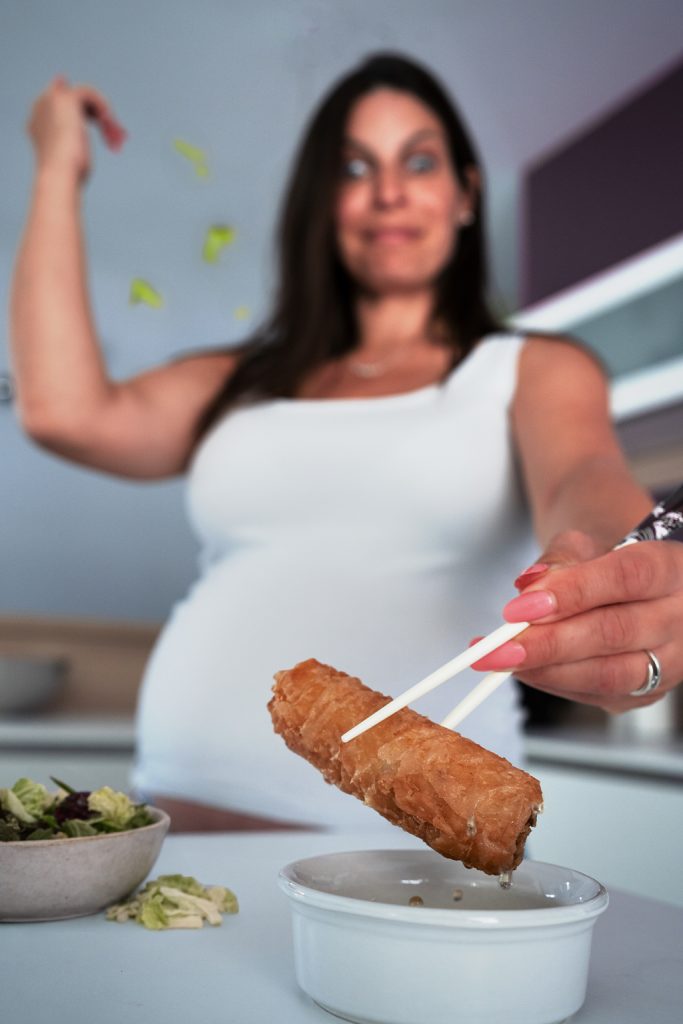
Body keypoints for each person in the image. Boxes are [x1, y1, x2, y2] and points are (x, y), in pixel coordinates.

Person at [10, 54, 683, 832]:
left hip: (414, 843)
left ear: (465, 193)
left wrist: (621, 572)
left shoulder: (529, 367)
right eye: (354, 166)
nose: (388, 190)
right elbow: (61, 411)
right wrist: (57, 165)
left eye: (418, 161)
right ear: (322, 204)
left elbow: (583, 475)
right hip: (178, 817)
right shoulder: (235, 378)